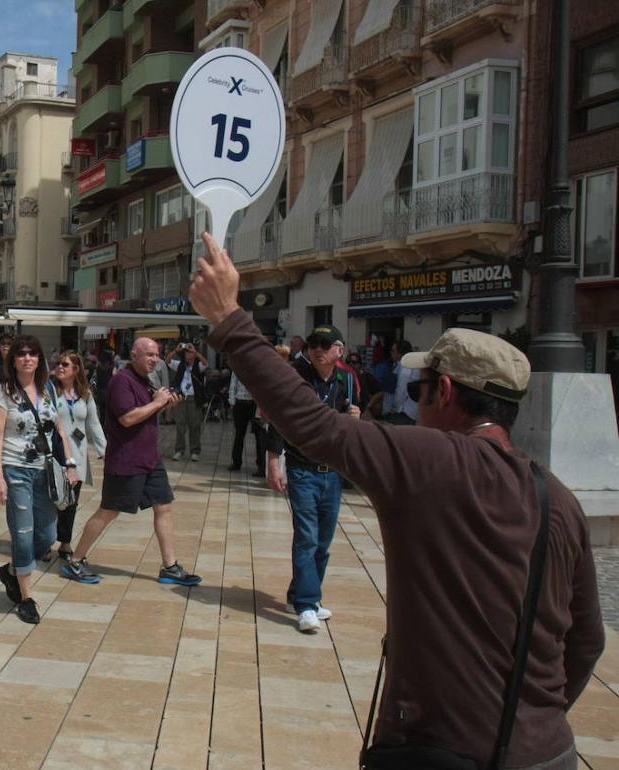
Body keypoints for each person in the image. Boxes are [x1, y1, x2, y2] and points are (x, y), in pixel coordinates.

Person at [190, 231, 604, 770]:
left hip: (439, 749)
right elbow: (588, 639)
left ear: (446, 391)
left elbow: (313, 426)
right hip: (548, 752)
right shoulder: (560, 499)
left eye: (418, 388)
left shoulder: (427, 460)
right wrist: (528, 722)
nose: (414, 400)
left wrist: (229, 319)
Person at [59, 337, 202, 588]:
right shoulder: (121, 382)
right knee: (109, 511)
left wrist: (164, 405)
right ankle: (76, 560)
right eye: (148, 354)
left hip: (150, 458)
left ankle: (170, 566)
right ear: (133, 355)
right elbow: (127, 418)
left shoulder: (146, 381)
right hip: (126, 460)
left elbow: (146, 413)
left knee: (163, 506)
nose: (154, 359)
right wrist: (157, 403)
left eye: (156, 355)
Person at [261, 322, 360, 632]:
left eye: (325, 345)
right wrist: (274, 462)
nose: (317, 350)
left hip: (332, 471)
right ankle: (307, 604)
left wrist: (354, 420)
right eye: (313, 344)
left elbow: (351, 418)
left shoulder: (346, 380)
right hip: (303, 469)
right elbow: (279, 418)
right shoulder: (297, 379)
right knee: (307, 537)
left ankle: (300, 595)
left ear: (339, 351)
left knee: (324, 541)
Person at [0, 335, 79, 624]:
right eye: (21, 354)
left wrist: (70, 463)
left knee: (49, 535)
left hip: (45, 471)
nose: (27, 358)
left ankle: (13, 570)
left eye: (32, 353)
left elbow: (60, 431)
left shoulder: (48, 389)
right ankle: (26, 598)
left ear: (40, 359)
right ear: (13, 360)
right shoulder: (4, 392)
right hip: (16, 469)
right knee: (23, 533)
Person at [52, 350, 106, 560]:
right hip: (56, 453)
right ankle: (46, 540)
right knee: (52, 499)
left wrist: (105, 452)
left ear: (76, 369)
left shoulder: (85, 394)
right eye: (58, 364)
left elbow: (94, 425)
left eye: (65, 365)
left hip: (78, 455)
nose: (60, 368)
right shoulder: (49, 391)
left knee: (71, 501)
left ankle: (65, 541)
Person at [168, 344, 206, 460]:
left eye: (189, 353)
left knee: (195, 426)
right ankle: (179, 450)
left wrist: (196, 352)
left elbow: (205, 363)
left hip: (194, 399)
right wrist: (176, 350)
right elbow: (168, 360)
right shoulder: (180, 365)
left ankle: (195, 451)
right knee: (180, 425)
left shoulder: (198, 366)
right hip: (181, 398)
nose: (187, 355)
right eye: (186, 353)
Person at [228, 371, 265, 476]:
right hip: (240, 402)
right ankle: (236, 462)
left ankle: (261, 465)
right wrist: (232, 402)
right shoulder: (237, 368)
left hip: (254, 404)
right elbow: (233, 385)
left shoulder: (257, 368)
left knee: (259, 436)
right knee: (239, 434)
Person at [383, 340, 419, 425]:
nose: (390, 353)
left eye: (393, 351)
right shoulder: (400, 366)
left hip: (405, 413)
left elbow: (401, 390)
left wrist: (395, 409)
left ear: (400, 353)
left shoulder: (405, 367)